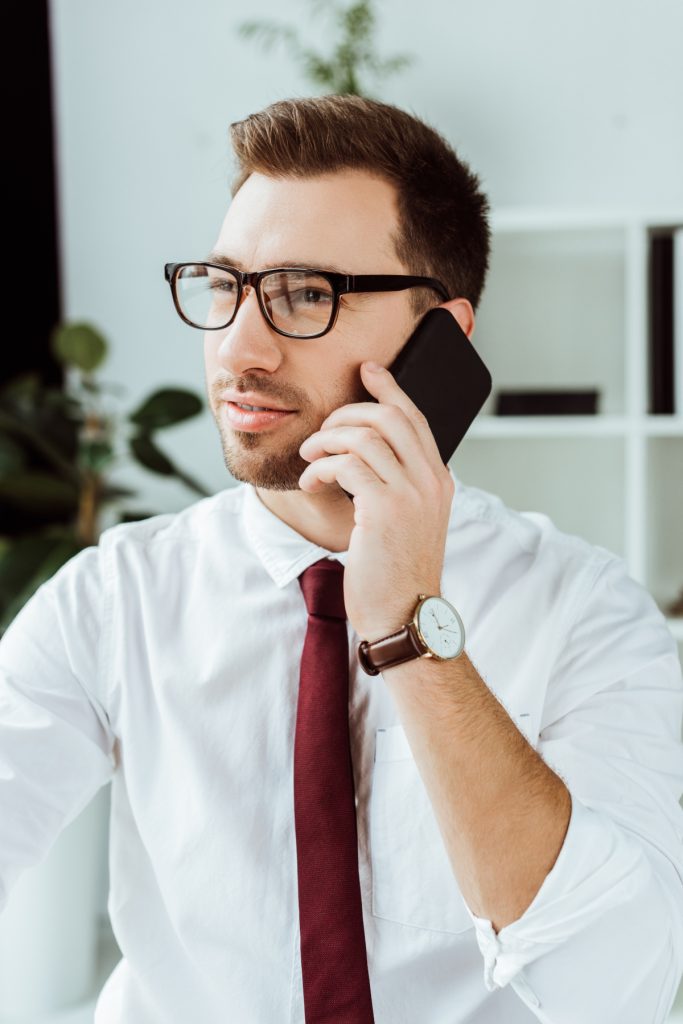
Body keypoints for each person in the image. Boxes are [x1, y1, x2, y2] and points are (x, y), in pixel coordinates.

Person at [1, 94, 682, 1024]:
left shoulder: (585, 611)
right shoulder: (115, 598)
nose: (238, 348)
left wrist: (411, 628)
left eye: (303, 294)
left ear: (441, 335)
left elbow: (616, 981)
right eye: (222, 285)